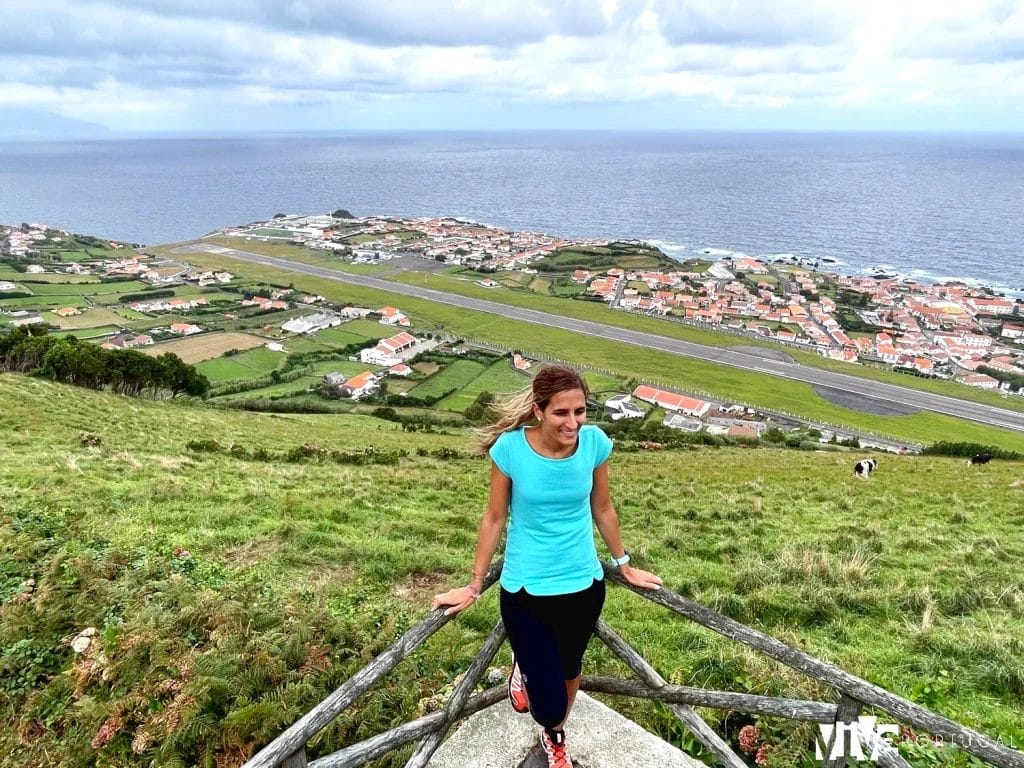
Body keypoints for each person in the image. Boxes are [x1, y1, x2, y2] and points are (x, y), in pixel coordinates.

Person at [432, 365, 663, 768]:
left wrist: (623, 564)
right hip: (525, 590)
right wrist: (472, 586)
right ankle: (535, 689)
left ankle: (555, 735)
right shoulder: (509, 449)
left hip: (583, 586)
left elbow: (603, 507)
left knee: (570, 668)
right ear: (539, 410)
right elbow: (493, 517)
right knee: (547, 702)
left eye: (580, 411)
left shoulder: (595, 444)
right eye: (561, 413)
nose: (573, 422)